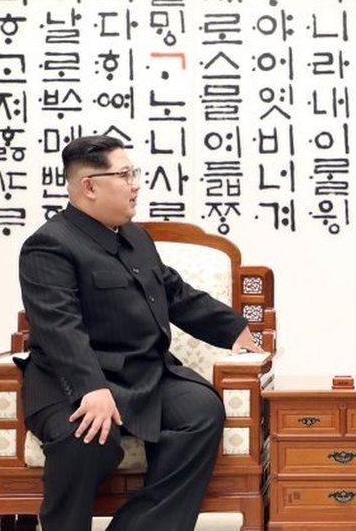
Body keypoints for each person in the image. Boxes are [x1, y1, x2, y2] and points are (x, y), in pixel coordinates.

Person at [17, 135, 263, 530]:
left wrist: (235, 329)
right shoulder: (49, 245)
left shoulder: (134, 236)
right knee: (87, 437)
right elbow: (59, 326)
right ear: (90, 186)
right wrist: (90, 388)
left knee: (200, 412)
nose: (136, 184)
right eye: (125, 174)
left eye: (135, 173)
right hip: (69, 379)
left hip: (143, 374)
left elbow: (173, 292)